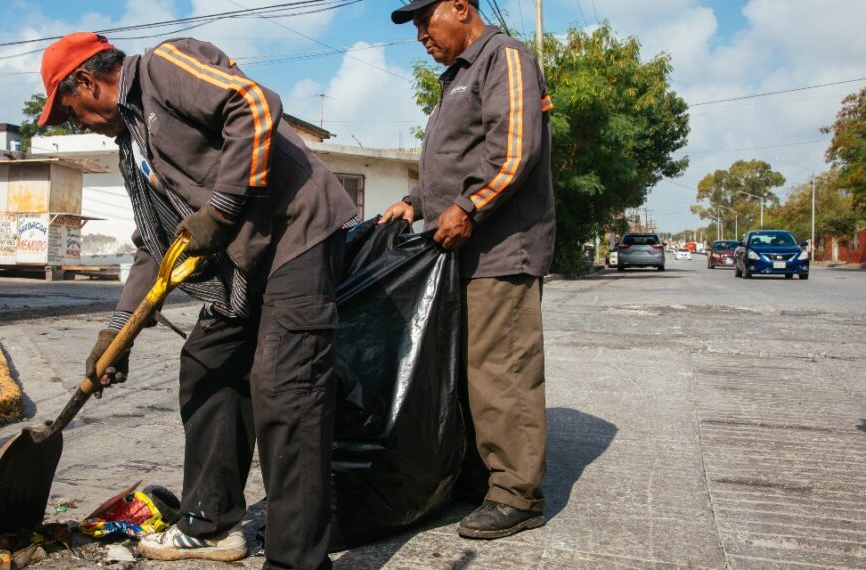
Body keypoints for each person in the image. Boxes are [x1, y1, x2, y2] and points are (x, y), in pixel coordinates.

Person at [36, 32, 358, 568]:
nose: (76, 126)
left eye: (70, 113)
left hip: (298, 234)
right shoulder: (131, 145)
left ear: (87, 82)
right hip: (244, 263)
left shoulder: (163, 68)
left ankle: (298, 560)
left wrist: (222, 208)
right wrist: (118, 332)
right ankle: (211, 525)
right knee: (208, 365)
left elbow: (254, 104)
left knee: (286, 391)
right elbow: (157, 247)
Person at [383, 0, 556, 540]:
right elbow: (454, 161)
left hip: (502, 251)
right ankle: (479, 476)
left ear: (460, 7)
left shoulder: (503, 56)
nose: (419, 36)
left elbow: (514, 151)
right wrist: (414, 201)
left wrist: (472, 207)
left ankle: (517, 494)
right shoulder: (455, 78)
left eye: (422, 20)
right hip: (461, 251)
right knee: (464, 372)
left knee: (500, 370)